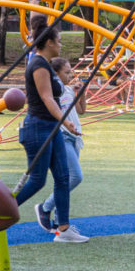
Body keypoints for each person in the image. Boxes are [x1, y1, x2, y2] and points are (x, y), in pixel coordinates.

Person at [14, 19, 89, 243]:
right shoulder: (38, 64)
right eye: (58, 41)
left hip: (51, 127)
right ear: (48, 42)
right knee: (37, 180)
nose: (61, 45)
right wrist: (66, 123)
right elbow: (47, 98)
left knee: (63, 178)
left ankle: (63, 229)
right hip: (39, 127)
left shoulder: (45, 63)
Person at [34, 58, 85, 232]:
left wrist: (82, 93)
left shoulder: (69, 90)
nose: (70, 75)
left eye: (71, 71)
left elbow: (81, 110)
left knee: (64, 181)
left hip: (74, 137)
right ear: (55, 73)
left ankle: (59, 219)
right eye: (67, 72)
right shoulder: (50, 93)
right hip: (62, 136)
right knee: (75, 176)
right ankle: (45, 207)